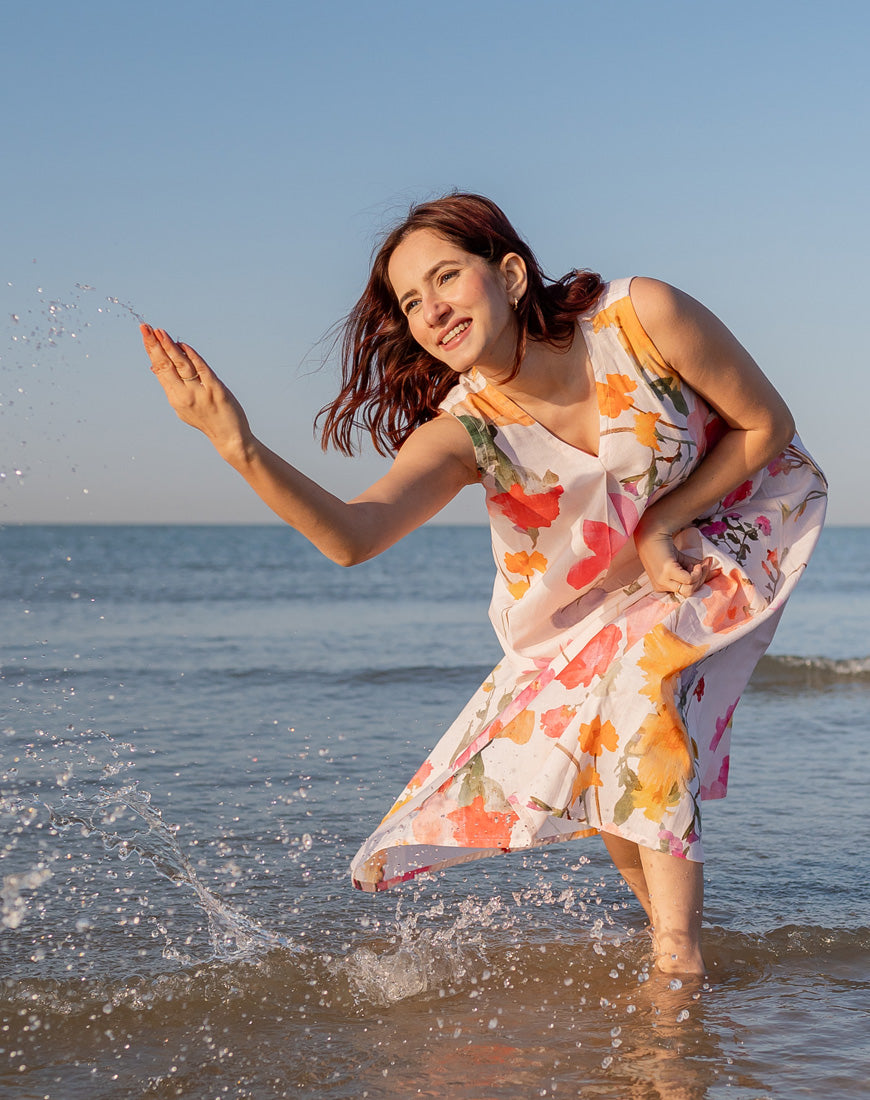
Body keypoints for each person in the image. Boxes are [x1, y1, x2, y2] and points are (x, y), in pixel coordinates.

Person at [141, 192, 827, 976]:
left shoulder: (641, 316)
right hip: (588, 604)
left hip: (738, 508)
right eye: (411, 301)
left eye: (445, 278)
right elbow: (353, 538)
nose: (431, 309)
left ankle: (680, 956)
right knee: (603, 738)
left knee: (638, 679)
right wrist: (241, 447)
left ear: (507, 274)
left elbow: (765, 422)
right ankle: (667, 937)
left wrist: (657, 524)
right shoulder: (467, 431)